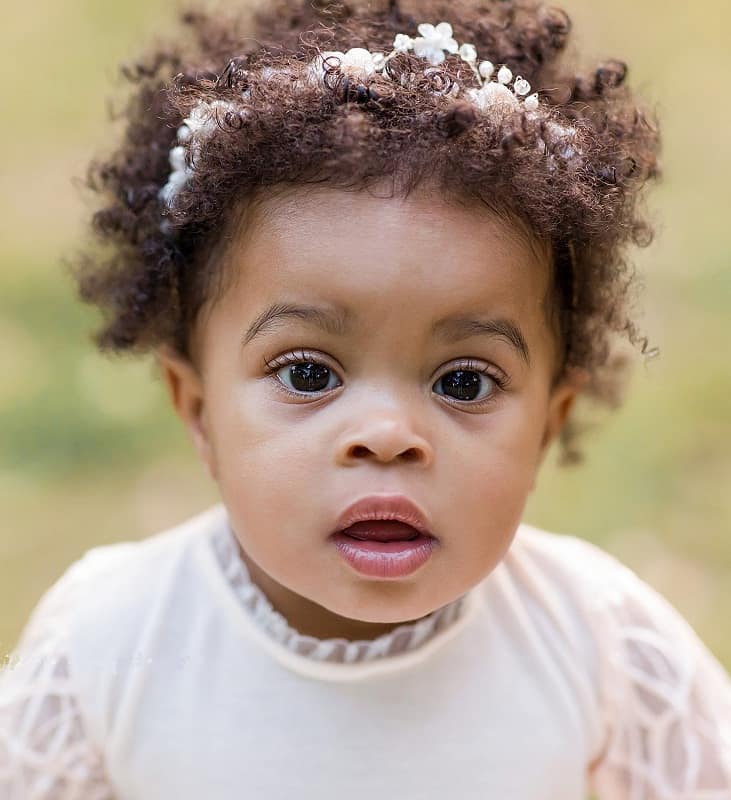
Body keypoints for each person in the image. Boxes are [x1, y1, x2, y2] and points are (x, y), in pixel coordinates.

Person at [1, 0, 729, 797]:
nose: (387, 435)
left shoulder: (603, 644)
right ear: (198, 407)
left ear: (547, 424)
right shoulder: (109, 643)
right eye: (309, 373)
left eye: (463, 382)